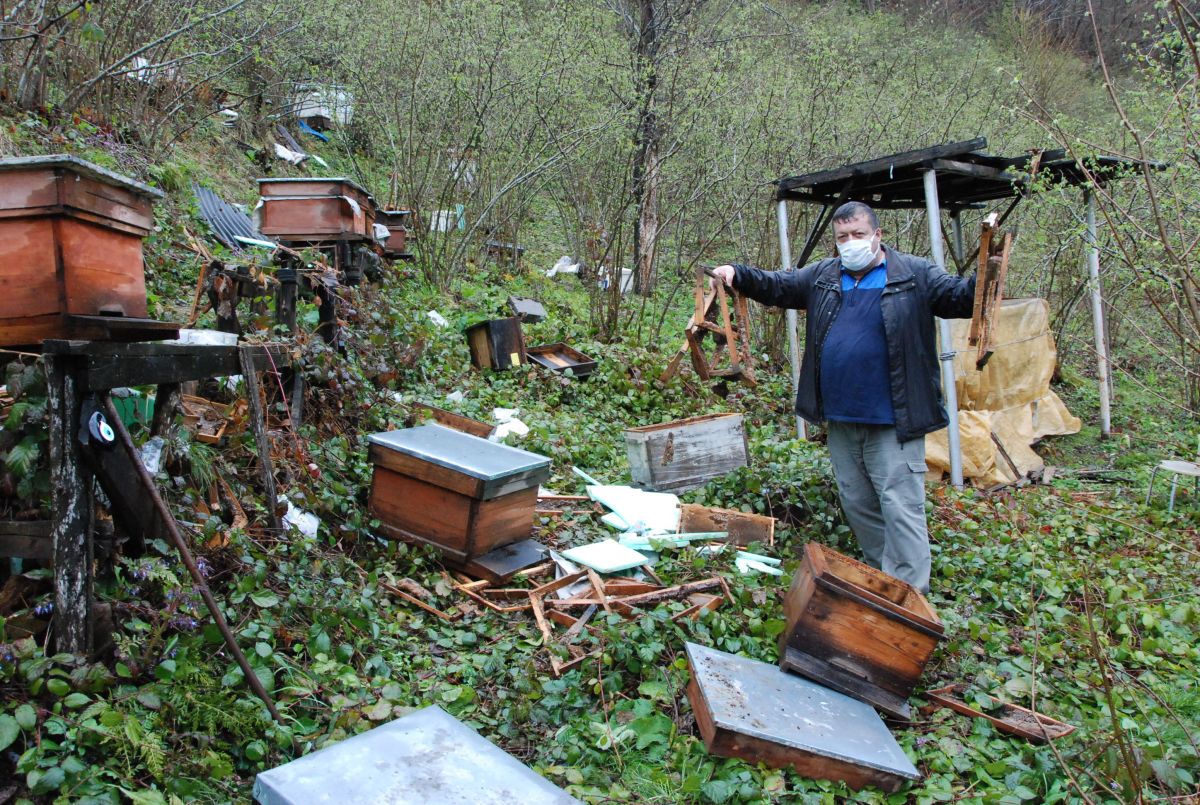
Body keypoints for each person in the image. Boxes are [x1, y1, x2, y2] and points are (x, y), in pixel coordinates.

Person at [711, 200, 975, 593]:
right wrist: (739, 274)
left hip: (894, 421)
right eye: (842, 237)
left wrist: (986, 276)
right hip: (842, 418)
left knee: (900, 508)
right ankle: (883, 582)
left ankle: (907, 597)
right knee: (859, 505)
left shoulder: (913, 274)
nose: (850, 243)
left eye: (858, 235)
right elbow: (780, 285)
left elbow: (959, 297)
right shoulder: (825, 276)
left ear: (877, 236)